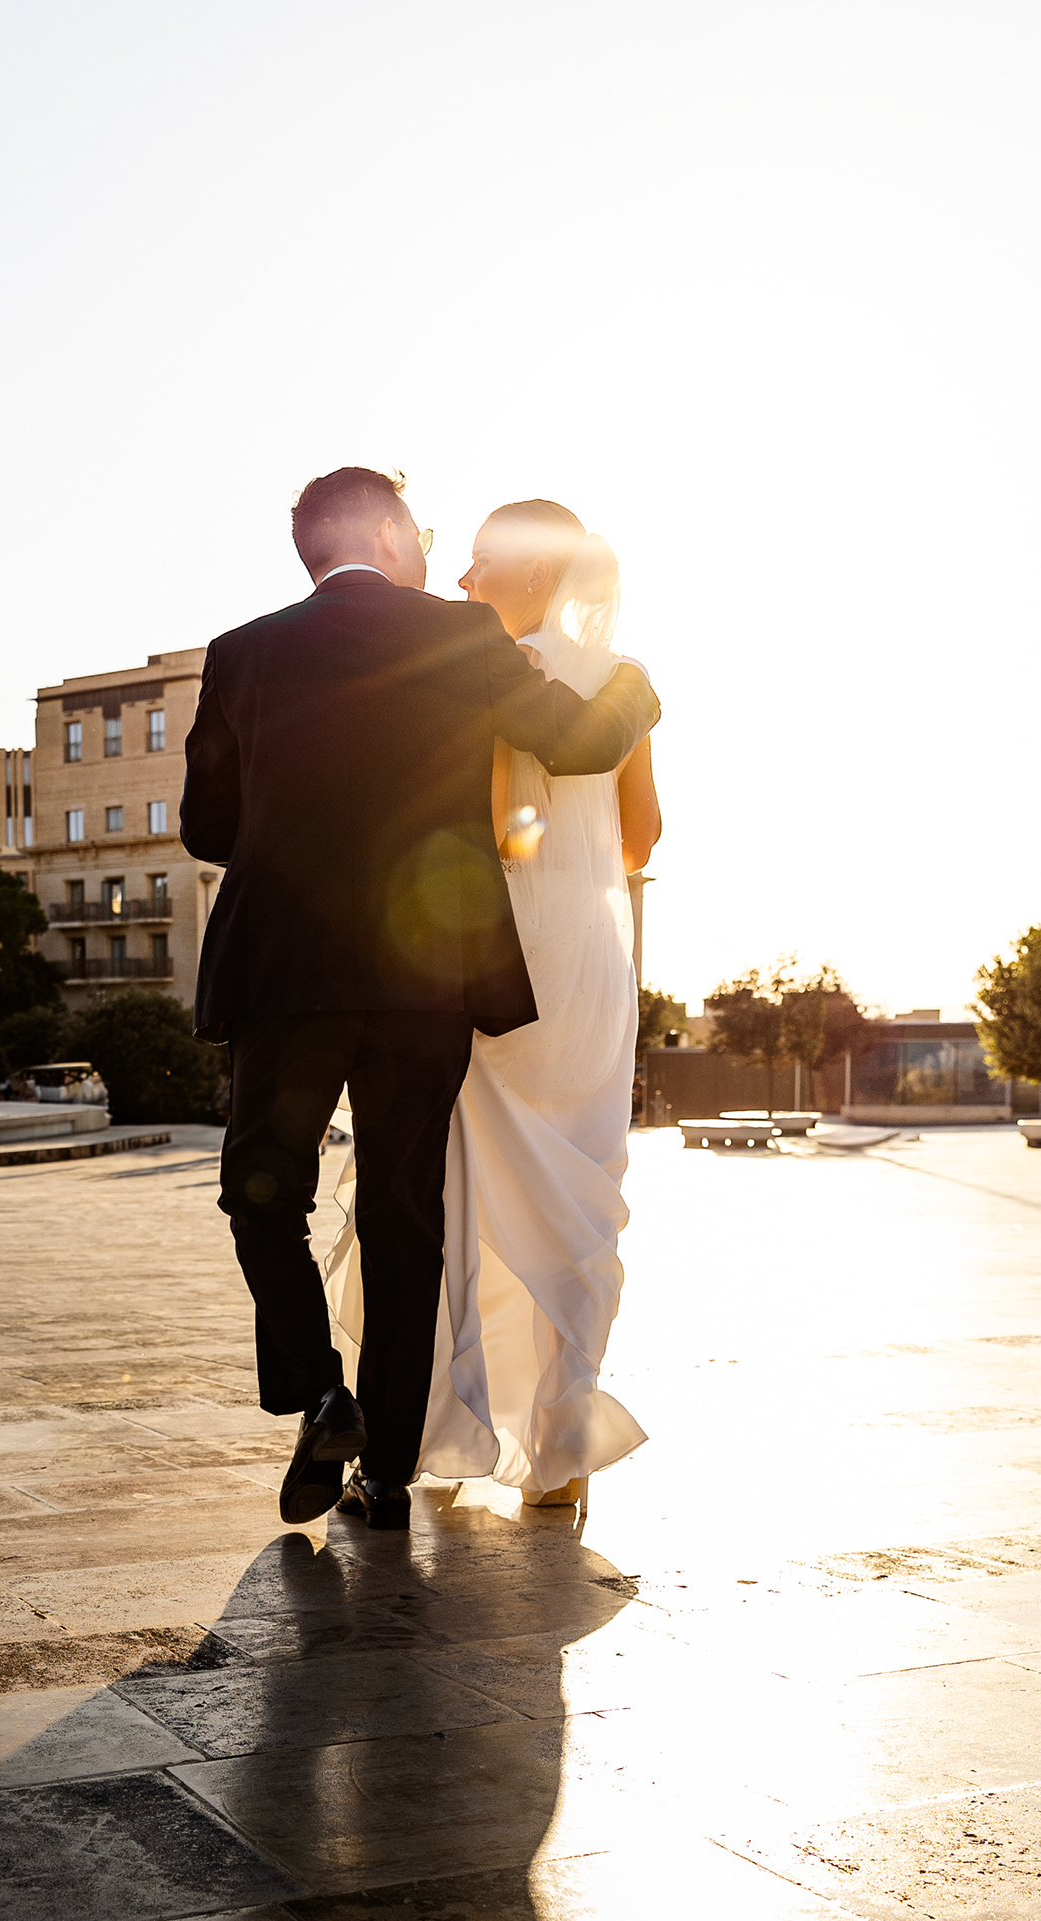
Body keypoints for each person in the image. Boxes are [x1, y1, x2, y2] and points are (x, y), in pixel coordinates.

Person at [183, 465, 659, 1530]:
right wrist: (635, 687)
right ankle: (388, 1474)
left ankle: (320, 1395)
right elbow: (580, 745)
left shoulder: (242, 653)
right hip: (424, 983)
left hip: (286, 979)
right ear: (392, 531)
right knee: (407, 1220)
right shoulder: (462, 639)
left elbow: (209, 832)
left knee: (262, 1195)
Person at [320, 500, 657, 1513]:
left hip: (492, 956)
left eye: (477, 565)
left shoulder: (479, 674)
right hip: (593, 968)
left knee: (444, 1195)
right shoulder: (624, 683)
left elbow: (496, 831)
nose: (460, 582)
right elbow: (645, 833)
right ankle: (557, 1456)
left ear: (526, 574)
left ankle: (438, 1434)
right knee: (575, 1191)